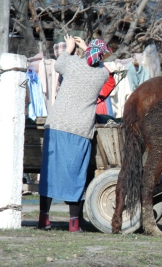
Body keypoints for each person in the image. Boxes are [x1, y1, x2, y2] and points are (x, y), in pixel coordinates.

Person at [38, 35, 111, 232]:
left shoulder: (71, 64)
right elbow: (102, 67)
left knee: (49, 172)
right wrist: (88, 47)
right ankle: (74, 223)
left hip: (57, 124)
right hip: (80, 129)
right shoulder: (101, 75)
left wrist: (70, 47)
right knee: (75, 174)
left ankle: (43, 220)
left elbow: (58, 64)